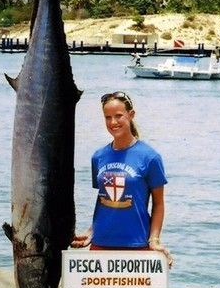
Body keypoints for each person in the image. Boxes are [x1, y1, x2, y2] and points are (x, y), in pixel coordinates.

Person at [72, 90, 173, 267]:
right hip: (100, 244)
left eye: (118, 116)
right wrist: (91, 230)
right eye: (107, 117)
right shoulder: (98, 156)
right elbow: (104, 201)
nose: (113, 122)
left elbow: (158, 204)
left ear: (131, 115)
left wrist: (154, 239)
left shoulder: (150, 157)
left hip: (137, 244)